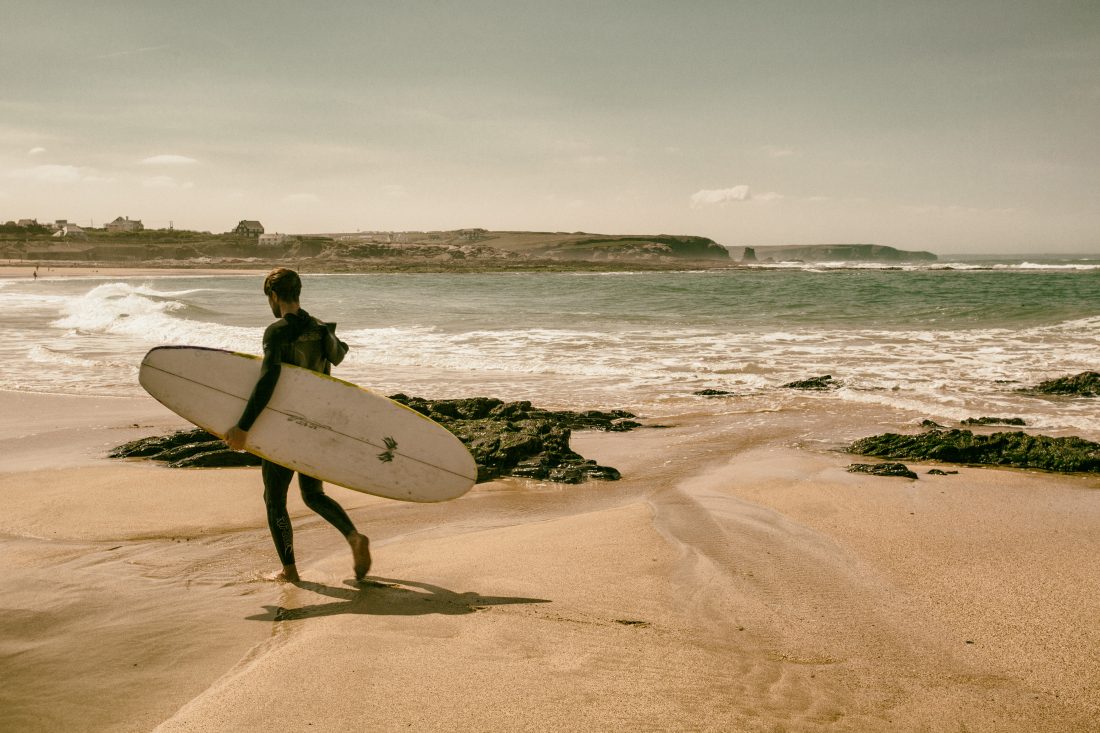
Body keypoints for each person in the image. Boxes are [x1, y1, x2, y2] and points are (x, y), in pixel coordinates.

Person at [225, 268, 371, 583]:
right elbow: (340, 355)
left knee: (274, 498)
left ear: (274, 296)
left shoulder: (276, 332)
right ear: (298, 292)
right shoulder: (321, 328)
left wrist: (243, 426)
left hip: (285, 426)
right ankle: (353, 536)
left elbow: (268, 380)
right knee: (312, 494)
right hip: (317, 424)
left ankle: (289, 570)